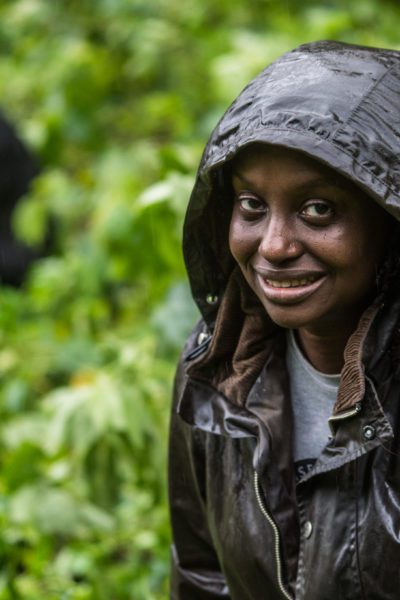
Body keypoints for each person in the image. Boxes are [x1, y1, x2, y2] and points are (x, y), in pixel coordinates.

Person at [168, 40, 400, 599]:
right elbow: (203, 574)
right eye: (251, 205)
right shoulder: (217, 372)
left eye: (317, 209)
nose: (273, 246)